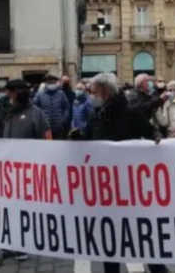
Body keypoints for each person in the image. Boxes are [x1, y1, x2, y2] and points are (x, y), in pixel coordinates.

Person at [70, 72, 165, 273]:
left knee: (141, 235)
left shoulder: (130, 112)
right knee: (110, 238)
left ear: (105, 92)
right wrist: (78, 137)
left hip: (130, 188)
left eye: (93, 91)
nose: (90, 95)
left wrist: (156, 138)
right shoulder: (97, 113)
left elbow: (150, 131)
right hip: (106, 189)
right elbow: (90, 138)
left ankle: (158, 270)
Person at [0, 79, 52, 260]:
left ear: (17, 93)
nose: (8, 95)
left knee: (23, 207)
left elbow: (46, 140)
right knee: (6, 206)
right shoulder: (2, 111)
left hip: (26, 169)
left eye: (11, 92)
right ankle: (8, 241)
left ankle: (22, 244)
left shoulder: (36, 114)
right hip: (4, 169)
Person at [33, 75, 71, 139]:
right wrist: (40, 121)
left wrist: (64, 119)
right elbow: (34, 107)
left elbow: (66, 107)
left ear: (56, 83)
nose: (51, 84)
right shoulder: (40, 94)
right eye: (49, 83)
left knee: (59, 146)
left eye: (53, 83)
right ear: (45, 83)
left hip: (59, 126)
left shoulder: (61, 94)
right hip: (45, 127)